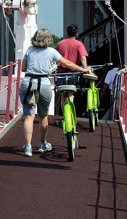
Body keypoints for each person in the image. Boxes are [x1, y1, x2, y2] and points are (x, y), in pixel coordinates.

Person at [19, 28, 93, 158]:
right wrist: (83, 69)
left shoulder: (29, 50)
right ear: (48, 39)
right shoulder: (51, 51)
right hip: (44, 83)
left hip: (29, 82)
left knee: (29, 116)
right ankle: (42, 144)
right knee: (43, 115)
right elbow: (68, 63)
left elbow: (23, 68)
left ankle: (28, 147)